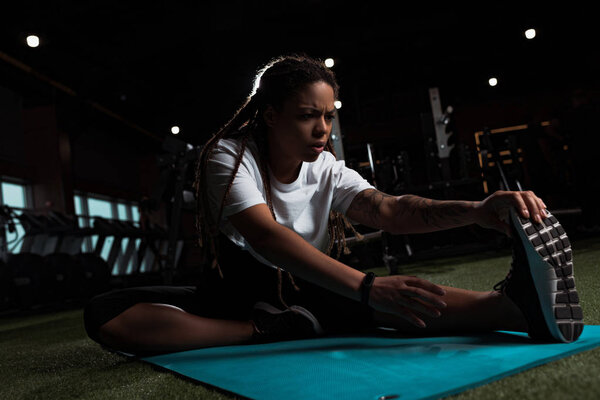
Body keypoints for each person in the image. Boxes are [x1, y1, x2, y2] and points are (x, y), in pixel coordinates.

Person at [83, 54, 582, 356]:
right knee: (108, 314)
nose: (322, 129)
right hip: (239, 291)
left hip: (315, 285)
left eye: (327, 115)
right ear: (270, 115)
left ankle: (516, 310)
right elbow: (264, 236)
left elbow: (387, 209)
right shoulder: (229, 156)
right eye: (306, 116)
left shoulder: (325, 165)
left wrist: (476, 209)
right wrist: (367, 288)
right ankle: (264, 330)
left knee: (373, 302)